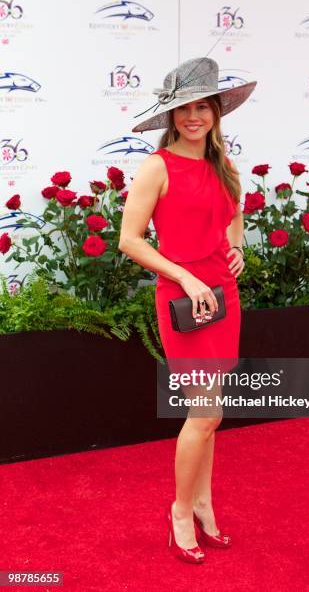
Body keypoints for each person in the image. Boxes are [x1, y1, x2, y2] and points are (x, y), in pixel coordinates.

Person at [119, 57, 256, 564]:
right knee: (203, 414)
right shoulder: (156, 167)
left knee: (213, 413)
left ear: (217, 112)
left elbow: (233, 213)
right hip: (184, 299)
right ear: (171, 116)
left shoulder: (225, 165)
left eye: (203, 107)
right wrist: (185, 274)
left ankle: (202, 501)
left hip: (224, 294)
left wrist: (236, 246)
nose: (194, 117)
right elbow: (129, 241)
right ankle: (180, 509)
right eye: (184, 109)